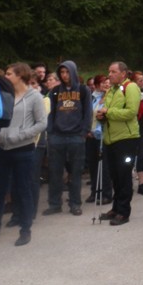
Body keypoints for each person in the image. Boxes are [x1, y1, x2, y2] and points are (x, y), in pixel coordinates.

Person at [0, 63, 46, 247]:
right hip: (1, 148)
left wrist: (21, 135)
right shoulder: (3, 94)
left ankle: (25, 230)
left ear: (20, 76)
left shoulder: (34, 97)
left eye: (9, 74)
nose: (6, 76)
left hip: (23, 149)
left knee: (23, 189)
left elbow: (42, 123)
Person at [43, 61, 91, 217]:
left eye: (67, 72)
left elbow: (88, 112)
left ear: (73, 72)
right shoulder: (55, 91)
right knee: (55, 172)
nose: (64, 75)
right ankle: (55, 204)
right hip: (57, 136)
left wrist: (84, 132)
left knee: (75, 173)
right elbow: (50, 113)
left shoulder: (83, 90)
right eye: (62, 72)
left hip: (76, 136)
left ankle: (75, 203)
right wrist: (50, 132)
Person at [96, 61, 140, 226]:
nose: (110, 74)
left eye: (113, 71)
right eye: (109, 71)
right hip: (111, 138)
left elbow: (131, 112)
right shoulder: (111, 90)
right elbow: (107, 112)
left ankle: (123, 211)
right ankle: (116, 208)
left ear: (123, 73)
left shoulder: (131, 87)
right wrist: (102, 116)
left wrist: (108, 112)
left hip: (126, 138)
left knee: (124, 175)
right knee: (115, 175)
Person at [85, 75, 111, 205]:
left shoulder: (110, 97)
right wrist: (86, 130)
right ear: (96, 85)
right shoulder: (92, 97)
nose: (105, 85)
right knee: (93, 165)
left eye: (107, 82)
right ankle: (95, 191)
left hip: (104, 135)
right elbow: (87, 114)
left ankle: (106, 193)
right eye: (102, 83)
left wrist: (106, 95)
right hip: (91, 135)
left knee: (104, 166)